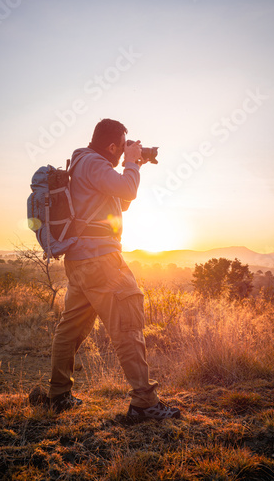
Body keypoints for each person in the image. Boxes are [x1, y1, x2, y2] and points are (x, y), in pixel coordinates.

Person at [48, 119, 180, 420]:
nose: (124, 153)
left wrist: (137, 163)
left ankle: (58, 396)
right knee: (128, 325)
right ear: (111, 146)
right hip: (101, 261)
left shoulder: (86, 163)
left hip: (82, 262)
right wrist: (131, 163)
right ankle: (145, 403)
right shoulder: (94, 163)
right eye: (122, 147)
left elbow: (121, 202)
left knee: (70, 329)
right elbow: (129, 191)